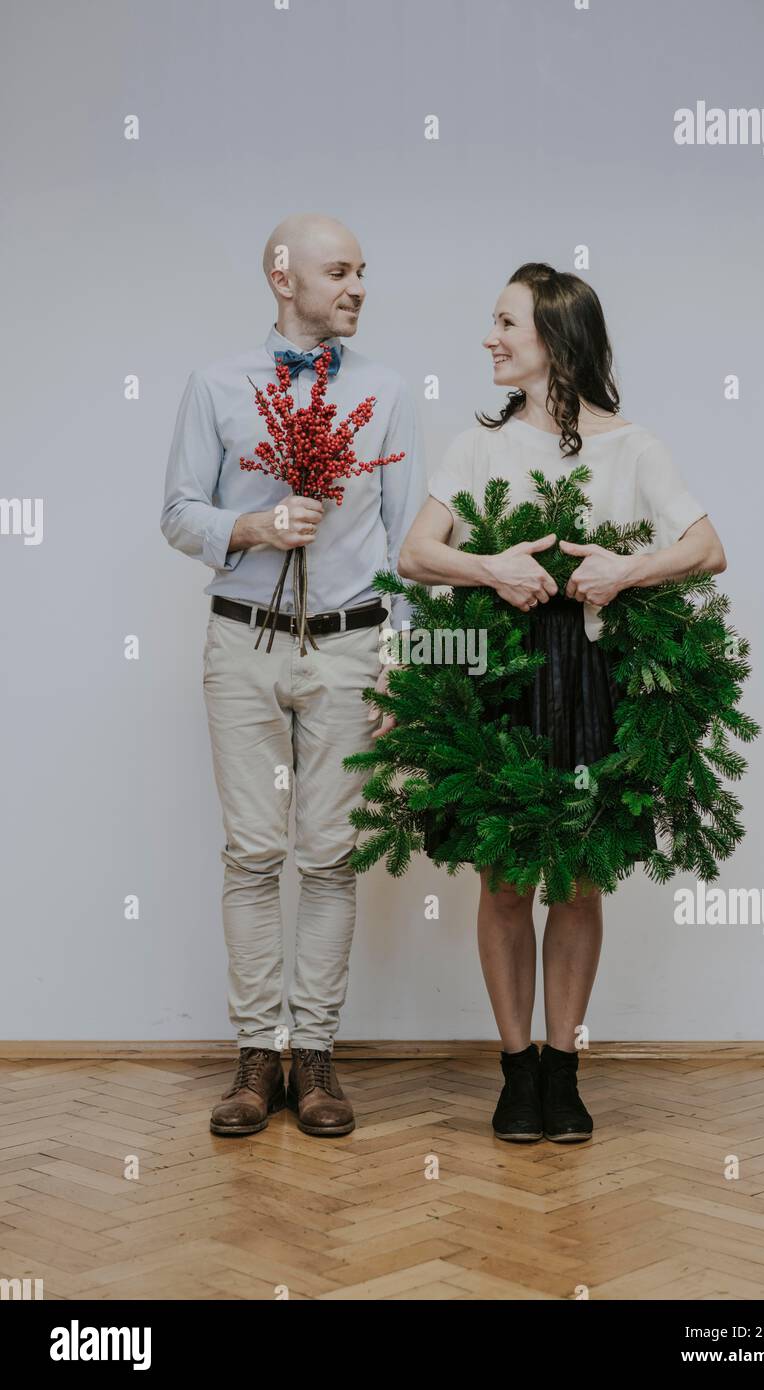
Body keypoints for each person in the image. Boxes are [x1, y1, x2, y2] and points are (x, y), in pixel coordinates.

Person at [398, 263, 726, 1144]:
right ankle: (515, 1074)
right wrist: (490, 567)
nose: (489, 339)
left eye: (506, 323)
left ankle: (563, 1070)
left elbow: (706, 546)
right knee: (505, 883)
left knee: (578, 884)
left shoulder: (633, 447)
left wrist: (626, 568)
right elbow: (416, 554)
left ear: (557, 337)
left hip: (593, 680)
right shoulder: (478, 448)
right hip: (499, 681)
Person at [161, 213, 427, 1138]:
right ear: (284, 277)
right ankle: (254, 1058)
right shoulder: (216, 385)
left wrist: (404, 662)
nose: (357, 287)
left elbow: (409, 548)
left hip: (352, 647)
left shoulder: (387, 392)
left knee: (330, 854)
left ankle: (313, 1056)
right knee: (251, 853)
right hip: (242, 641)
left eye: (363, 271)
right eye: (340, 271)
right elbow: (178, 511)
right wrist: (253, 527)